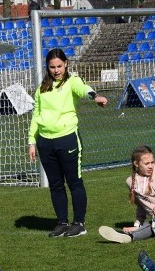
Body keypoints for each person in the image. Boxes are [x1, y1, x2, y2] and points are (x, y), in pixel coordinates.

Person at [27, 48, 108, 238]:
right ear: (47, 67)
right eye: (52, 67)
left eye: (59, 66)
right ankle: (62, 222)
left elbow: (84, 89)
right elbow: (36, 115)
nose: (56, 70)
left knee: (74, 182)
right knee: (55, 185)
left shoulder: (72, 81)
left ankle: (79, 223)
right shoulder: (41, 89)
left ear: (66, 64)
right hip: (45, 142)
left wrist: (95, 97)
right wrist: (32, 141)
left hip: (67, 138)